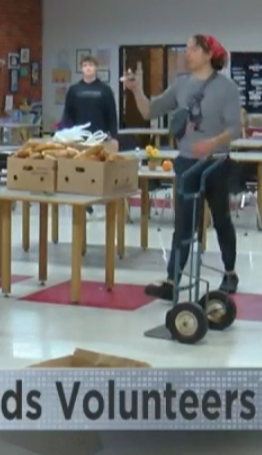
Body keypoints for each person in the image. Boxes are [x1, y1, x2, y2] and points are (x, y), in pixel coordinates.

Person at [122, 34, 242, 298]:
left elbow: (236, 129)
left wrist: (211, 143)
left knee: (221, 219)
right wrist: (136, 91)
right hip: (187, 163)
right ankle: (172, 279)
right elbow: (149, 111)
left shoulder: (227, 88)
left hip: (216, 164)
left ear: (209, 54)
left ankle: (230, 273)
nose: (187, 54)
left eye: (192, 50)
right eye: (186, 49)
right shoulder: (181, 85)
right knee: (183, 224)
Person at [60, 55, 118, 215]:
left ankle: (101, 200)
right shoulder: (74, 90)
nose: (88, 68)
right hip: (79, 137)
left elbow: (112, 114)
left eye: (91, 65)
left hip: (99, 137)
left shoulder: (105, 91)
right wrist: (65, 134)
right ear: (81, 69)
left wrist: (114, 136)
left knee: (99, 169)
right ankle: (83, 202)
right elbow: (67, 114)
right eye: (85, 65)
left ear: (96, 68)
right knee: (80, 168)